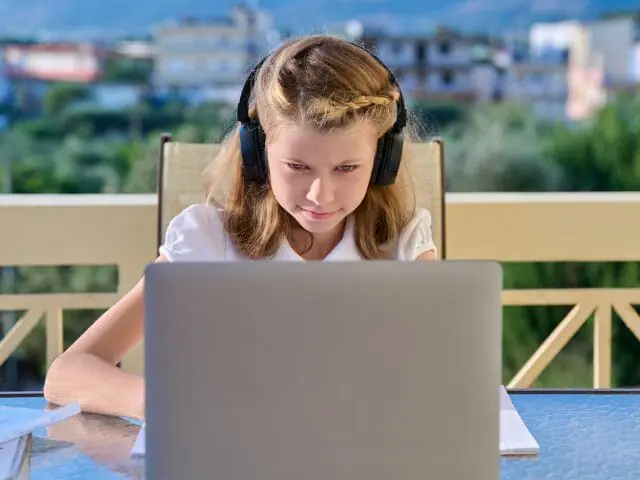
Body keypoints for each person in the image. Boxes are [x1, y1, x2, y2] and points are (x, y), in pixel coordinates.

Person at [43, 34, 438, 420]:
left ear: (383, 159)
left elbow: (441, 374)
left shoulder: (403, 246)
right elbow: (68, 374)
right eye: (298, 167)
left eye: (346, 168)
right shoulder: (208, 242)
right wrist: (166, 404)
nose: (321, 194)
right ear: (258, 154)